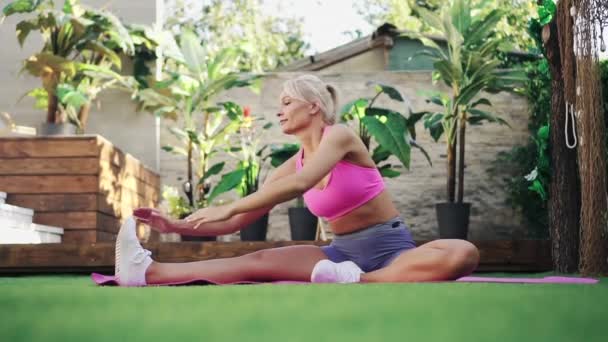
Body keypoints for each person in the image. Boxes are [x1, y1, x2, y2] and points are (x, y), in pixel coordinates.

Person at [115, 74, 480, 287]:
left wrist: (225, 204)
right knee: (256, 259)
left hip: (394, 253)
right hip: (339, 254)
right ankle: (147, 271)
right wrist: (174, 224)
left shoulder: (340, 137)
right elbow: (243, 218)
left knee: (463, 253)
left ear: (313, 107)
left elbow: (301, 184)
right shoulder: (288, 166)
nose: (279, 110)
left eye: (287, 102)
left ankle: (359, 281)